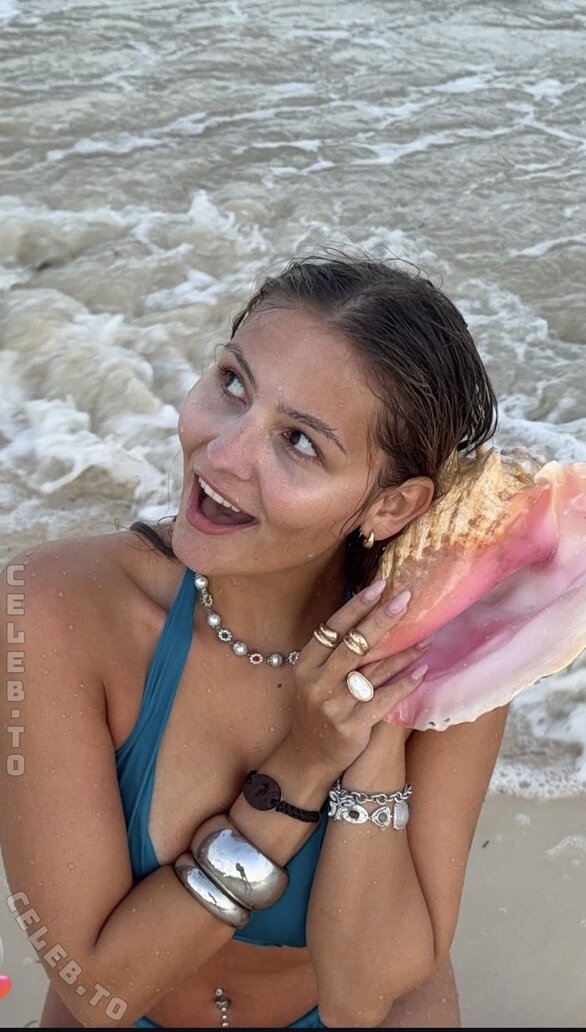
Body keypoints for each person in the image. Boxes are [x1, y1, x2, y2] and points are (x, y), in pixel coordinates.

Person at [0, 252, 508, 1029]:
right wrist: (300, 771)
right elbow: (100, 993)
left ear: (392, 506)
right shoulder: (53, 607)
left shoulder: (443, 655)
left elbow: (360, 996)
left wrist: (374, 738)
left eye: (299, 442)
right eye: (233, 384)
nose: (223, 453)